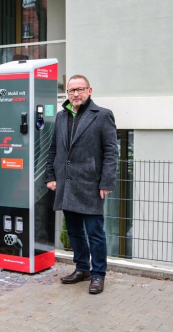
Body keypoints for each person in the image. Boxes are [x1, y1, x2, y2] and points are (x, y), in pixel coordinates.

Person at [45, 75, 118, 294]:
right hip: (66, 184)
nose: (76, 94)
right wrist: (50, 176)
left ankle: (98, 275)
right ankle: (82, 268)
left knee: (95, 232)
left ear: (89, 90)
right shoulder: (60, 116)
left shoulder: (102, 115)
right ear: (67, 94)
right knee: (75, 231)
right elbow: (54, 149)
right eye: (71, 91)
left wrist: (106, 182)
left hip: (90, 184)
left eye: (80, 89)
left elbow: (111, 152)